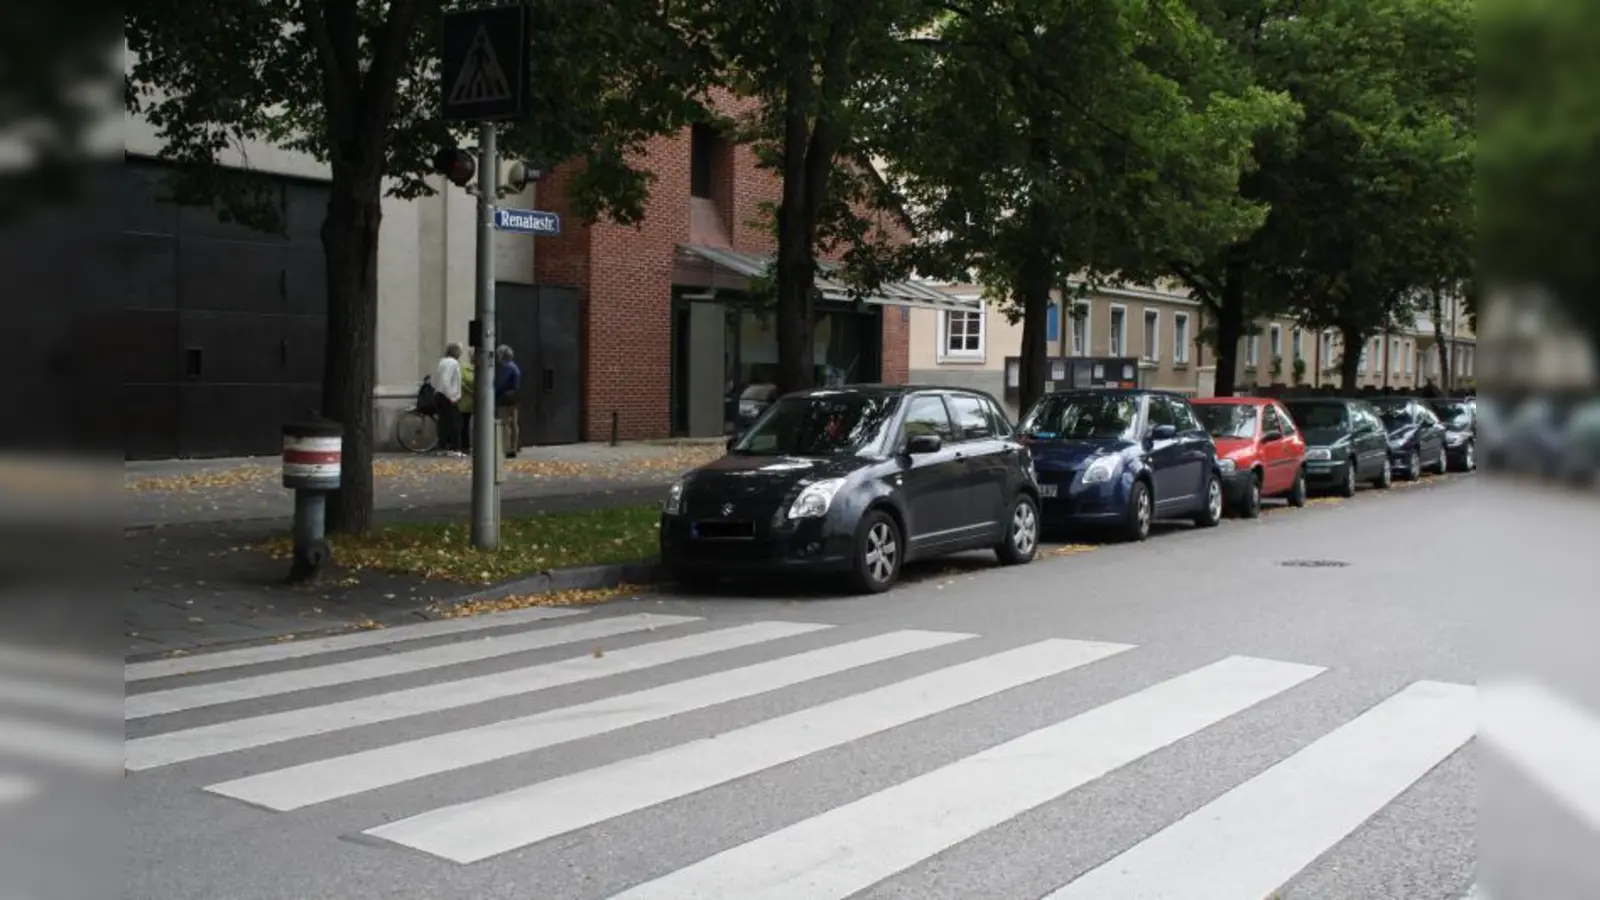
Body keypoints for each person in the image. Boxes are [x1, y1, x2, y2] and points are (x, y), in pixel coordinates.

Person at [434, 342, 464, 455]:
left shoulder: (442, 362)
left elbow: (438, 378)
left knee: (443, 423)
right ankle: (454, 448)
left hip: (439, 394)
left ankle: (443, 447)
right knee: (455, 423)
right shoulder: (453, 363)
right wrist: (451, 395)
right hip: (448, 396)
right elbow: (446, 380)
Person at [495, 344, 522, 459]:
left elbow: (500, 383)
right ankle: (514, 447)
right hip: (514, 397)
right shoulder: (515, 367)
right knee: (514, 423)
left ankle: (506, 448)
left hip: (504, 398)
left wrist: (493, 392)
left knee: (504, 423)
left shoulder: (506, 367)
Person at [459, 358, 476, 452]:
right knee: (465, 424)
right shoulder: (465, 368)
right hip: (466, 400)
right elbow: (462, 383)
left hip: (480, 402)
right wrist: (471, 391)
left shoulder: (484, 368)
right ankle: (465, 446)